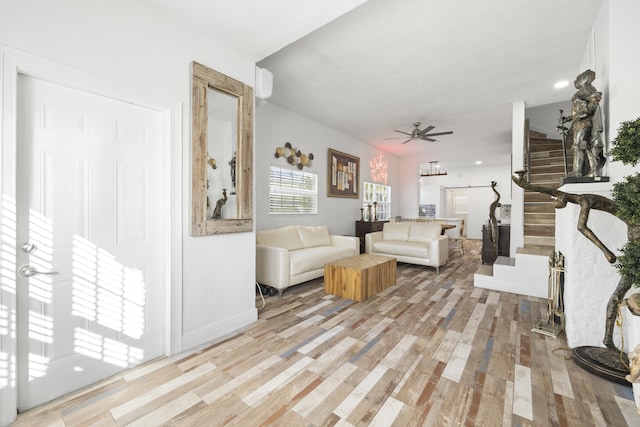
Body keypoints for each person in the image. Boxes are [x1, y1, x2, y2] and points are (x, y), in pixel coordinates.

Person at [567, 70, 605, 177]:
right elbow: (581, 108)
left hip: (584, 122)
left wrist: (584, 113)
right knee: (585, 146)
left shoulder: (588, 89)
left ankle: (577, 171)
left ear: (584, 78)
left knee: (578, 146)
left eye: (578, 77)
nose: (576, 80)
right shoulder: (584, 90)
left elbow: (592, 105)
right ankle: (592, 169)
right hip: (579, 122)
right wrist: (571, 117)